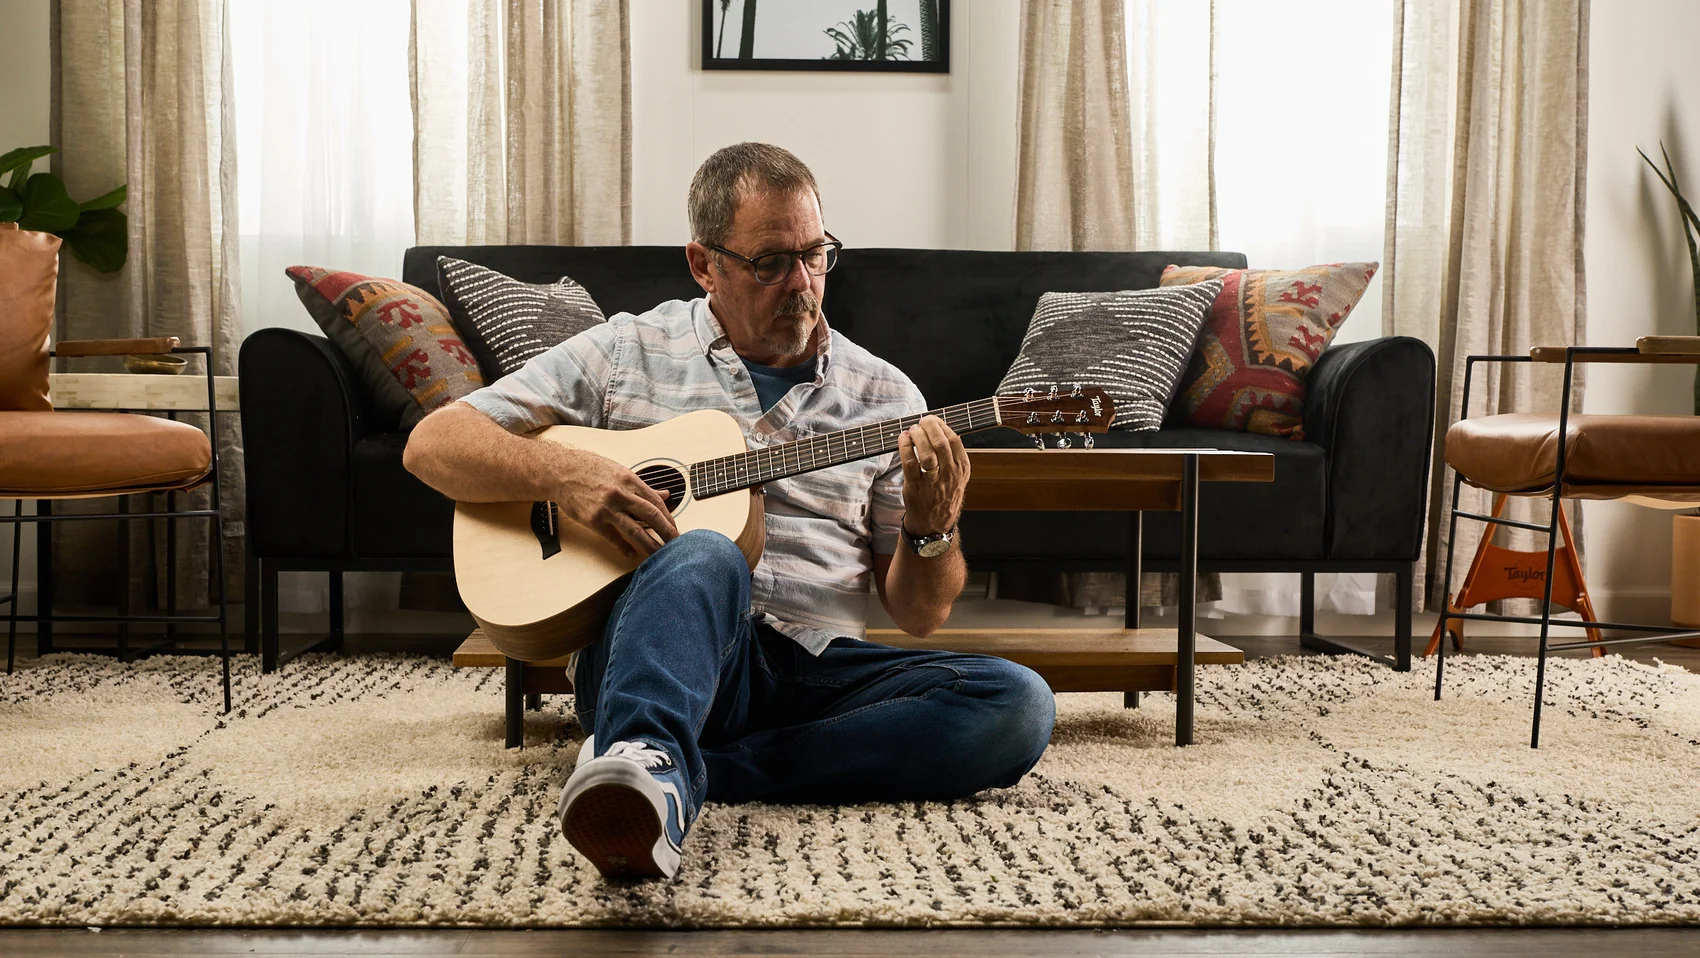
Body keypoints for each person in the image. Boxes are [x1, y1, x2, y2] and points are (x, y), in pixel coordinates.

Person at [404, 142, 1055, 882]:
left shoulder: (888, 396)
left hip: (814, 673)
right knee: (707, 552)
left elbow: (919, 615)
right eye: (770, 262)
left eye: (815, 255)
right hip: (654, 651)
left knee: (1017, 704)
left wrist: (932, 528)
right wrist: (568, 476)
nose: (802, 283)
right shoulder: (625, 350)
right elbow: (434, 444)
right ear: (703, 263)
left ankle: (676, 772)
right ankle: (651, 742)